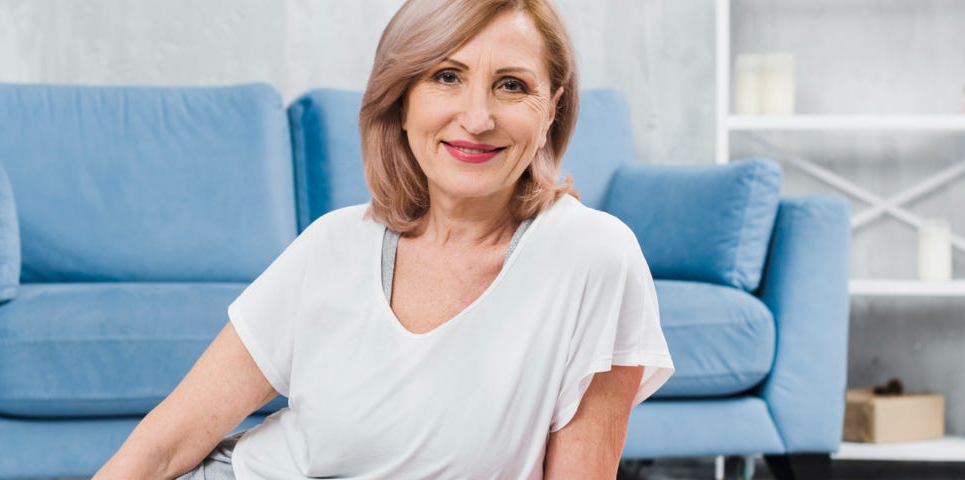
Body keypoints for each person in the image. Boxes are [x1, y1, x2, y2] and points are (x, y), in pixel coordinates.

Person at [94, 0, 673, 478]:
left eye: (511, 85)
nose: (476, 118)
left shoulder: (593, 257)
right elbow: (163, 449)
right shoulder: (334, 245)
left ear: (552, 109)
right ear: (402, 100)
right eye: (447, 76)